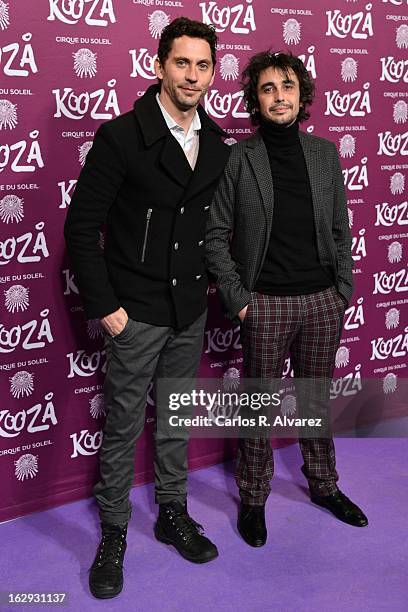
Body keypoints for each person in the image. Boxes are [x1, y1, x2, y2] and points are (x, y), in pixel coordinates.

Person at [64, 17, 229, 599]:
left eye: (202, 64)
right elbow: (82, 228)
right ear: (159, 66)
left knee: (175, 421)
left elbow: (215, 230)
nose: (192, 75)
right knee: (122, 427)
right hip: (133, 312)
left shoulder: (216, 144)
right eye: (181, 62)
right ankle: (113, 534)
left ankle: (173, 514)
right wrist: (106, 307)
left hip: (189, 310)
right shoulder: (120, 137)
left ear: (213, 71)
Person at [205, 51, 368, 548]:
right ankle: (253, 499)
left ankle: (324, 486)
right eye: (268, 88)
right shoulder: (240, 157)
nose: (279, 96)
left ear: (303, 94)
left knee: (315, 401)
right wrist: (241, 299)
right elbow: (215, 235)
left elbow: (341, 228)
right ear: (256, 99)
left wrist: (342, 290)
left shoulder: (325, 154)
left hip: (322, 300)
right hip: (266, 303)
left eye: (288, 86)